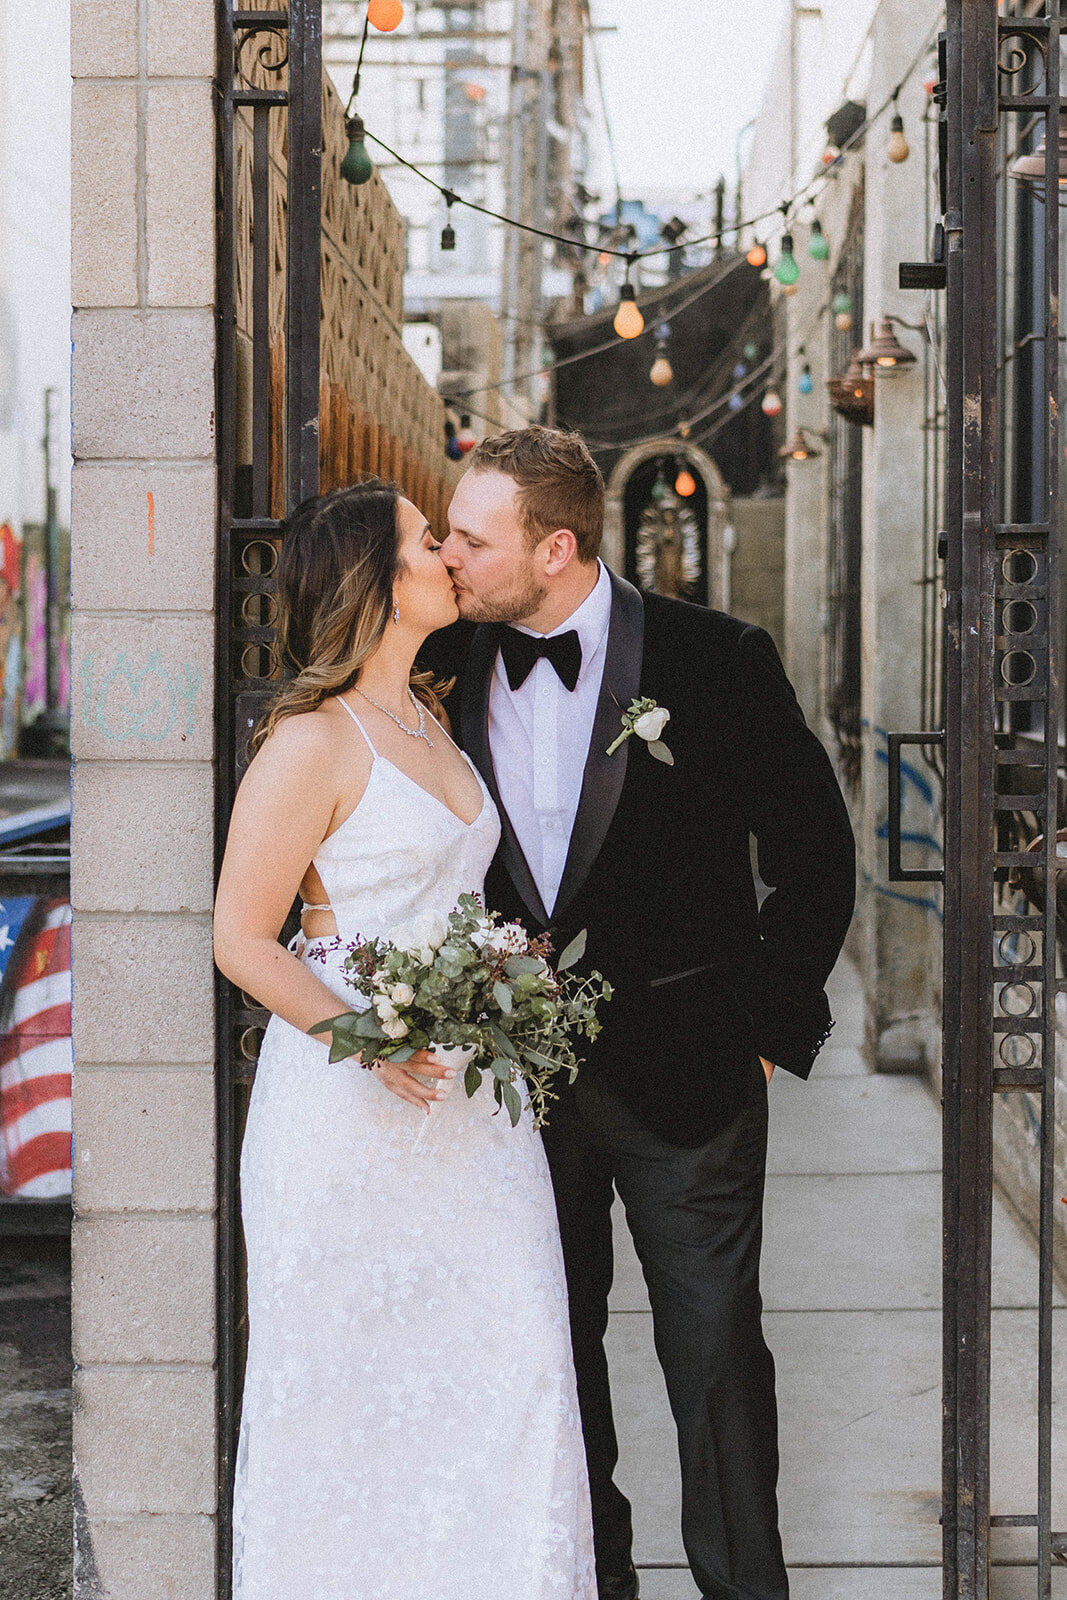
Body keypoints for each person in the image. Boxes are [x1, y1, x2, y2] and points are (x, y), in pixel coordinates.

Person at [421, 426, 856, 1600]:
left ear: (554, 547)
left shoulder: (716, 660)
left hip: (691, 1079)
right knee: (552, 1366)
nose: (445, 551)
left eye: (471, 535)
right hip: (512, 1095)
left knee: (713, 1359)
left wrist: (767, 1029)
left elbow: (815, 854)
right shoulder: (437, 663)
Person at [213, 479, 595, 1600]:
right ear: (376, 584)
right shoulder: (311, 740)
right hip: (348, 1117)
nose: (450, 553)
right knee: (349, 1398)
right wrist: (368, 1042)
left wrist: (505, 973)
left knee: (514, 1371)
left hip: (473, 1122)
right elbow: (242, 936)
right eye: (429, 541)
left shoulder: (431, 710)